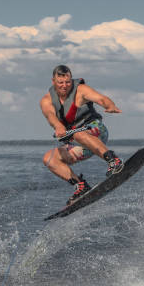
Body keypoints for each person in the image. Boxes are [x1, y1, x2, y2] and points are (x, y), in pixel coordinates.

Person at [40, 64, 124, 205]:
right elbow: (50, 116)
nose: (65, 85)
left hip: (96, 131)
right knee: (49, 158)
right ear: (53, 81)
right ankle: (81, 186)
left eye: (68, 82)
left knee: (78, 134)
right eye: (60, 82)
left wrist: (110, 106)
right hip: (78, 142)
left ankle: (114, 161)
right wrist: (58, 126)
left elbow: (101, 99)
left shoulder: (80, 90)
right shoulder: (46, 100)